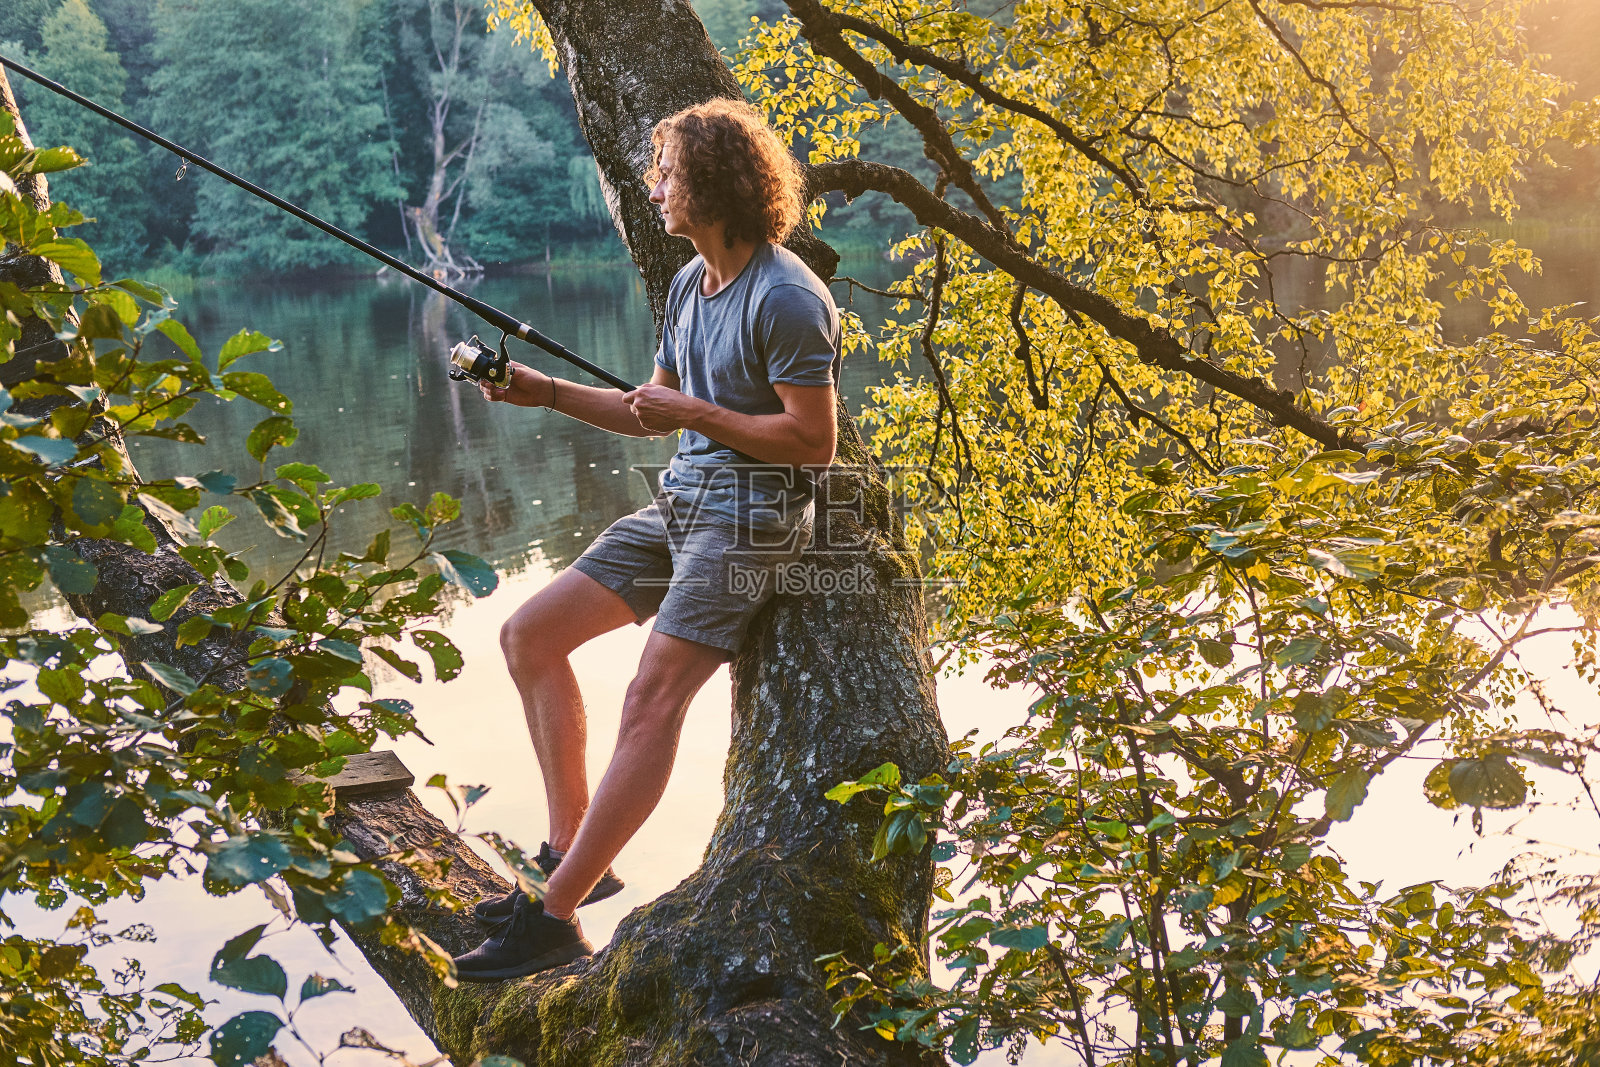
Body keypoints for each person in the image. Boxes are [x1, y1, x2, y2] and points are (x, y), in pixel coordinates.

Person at [450, 99, 842, 981]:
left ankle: (550, 923)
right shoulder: (685, 285)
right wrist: (542, 390)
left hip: (754, 515)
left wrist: (694, 413)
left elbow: (812, 443)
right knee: (530, 634)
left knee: (650, 694)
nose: (653, 185)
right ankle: (572, 861)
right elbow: (648, 411)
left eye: (666, 172)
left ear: (716, 183)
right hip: (685, 498)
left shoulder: (786, 298)